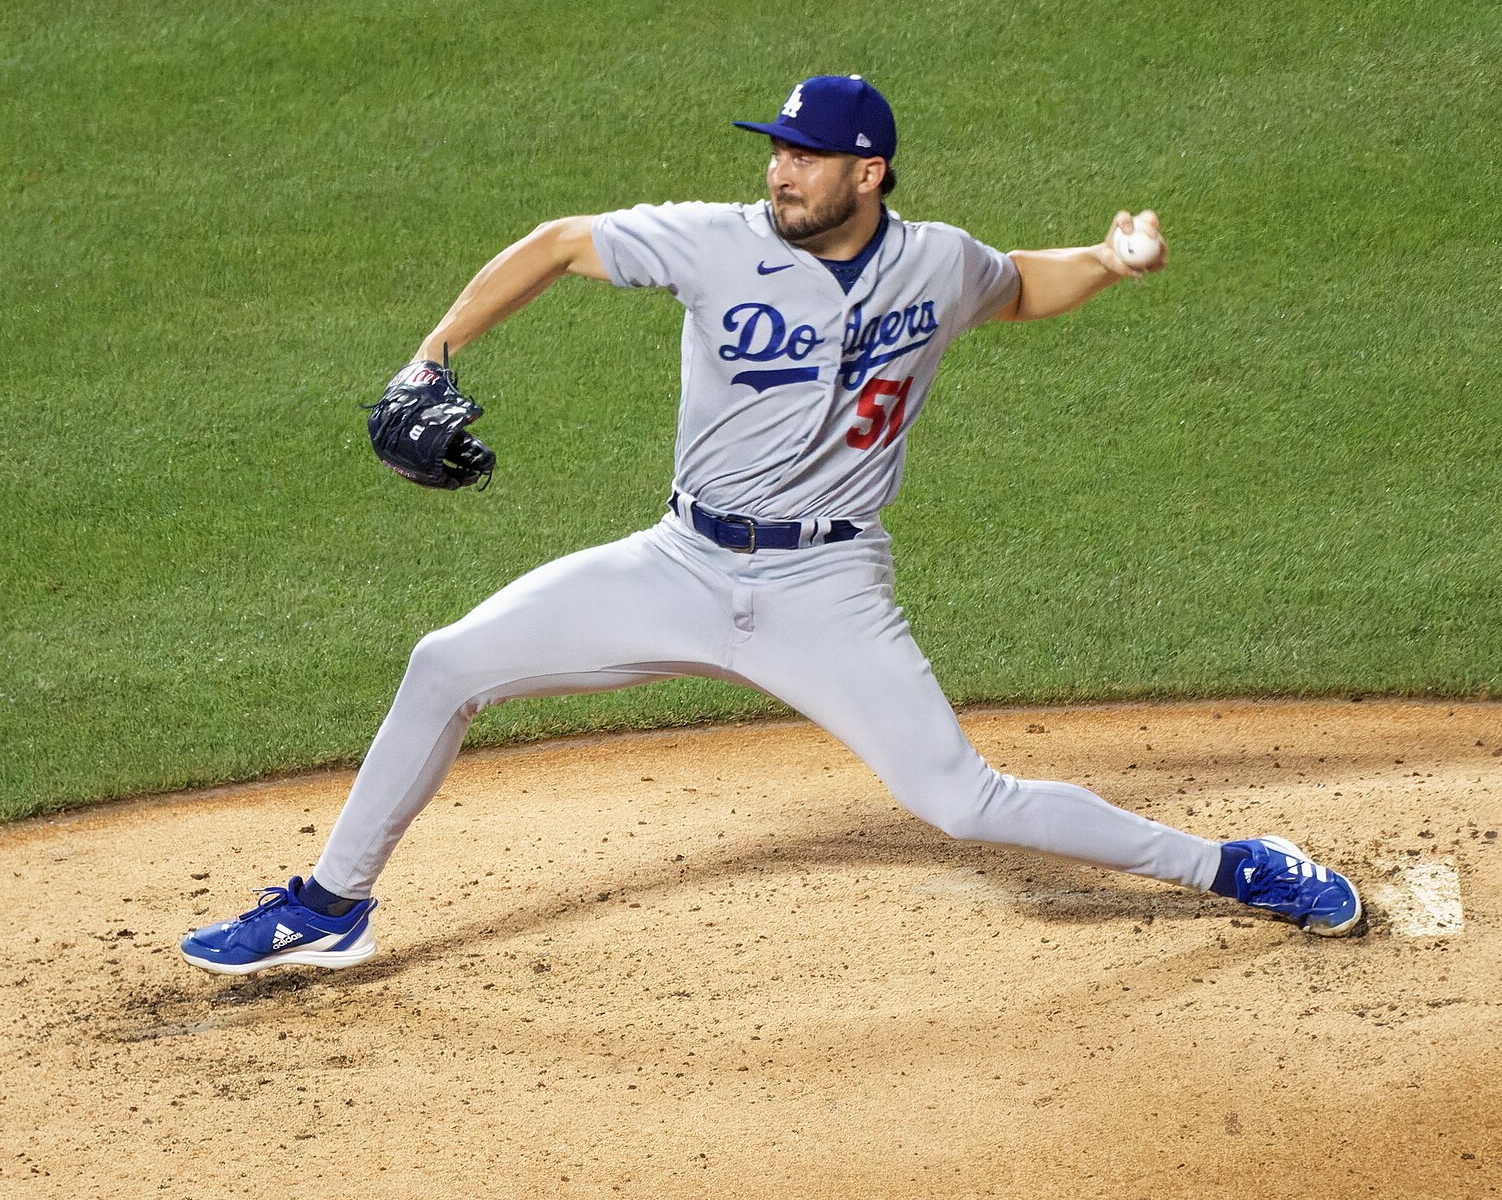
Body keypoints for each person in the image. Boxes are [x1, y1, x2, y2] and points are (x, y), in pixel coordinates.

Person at [180, 75, 1360, 973]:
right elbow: (558, 243)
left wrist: (1108, 259)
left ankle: (1237, 868)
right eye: (779, 151)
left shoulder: (936, 266)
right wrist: (425, 359)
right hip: (679, 561)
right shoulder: (714, 241)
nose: (782, 172)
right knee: (446, 663)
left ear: (872, 174)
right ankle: (331, 906)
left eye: (809, 156)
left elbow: (1016, 286)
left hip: (826, 594)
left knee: (962, 802)